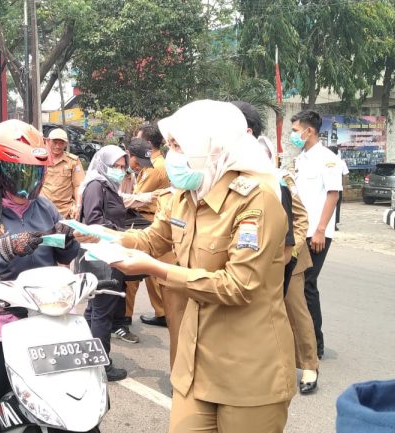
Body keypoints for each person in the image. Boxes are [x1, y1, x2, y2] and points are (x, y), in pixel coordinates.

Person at [81, 100, 296, 432]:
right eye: (171, 147)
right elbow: (153, 240)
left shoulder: (256, 200)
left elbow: (236, 286)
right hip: (194, 364)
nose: (171, 156)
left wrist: (157, 270)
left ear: (211, 147)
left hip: (249, 371)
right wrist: (100, 235)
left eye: (179, 146)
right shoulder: (183, 196)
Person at [0, 120, 80, 433]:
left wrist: (68, 239)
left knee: (82, 392)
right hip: (0, 320)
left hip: (51, 316)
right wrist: (4, 250)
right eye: (20, 175)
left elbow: (63, 257)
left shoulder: (44, 207)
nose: (28, 185)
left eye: (35, 175)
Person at [233, 101, 320, 394]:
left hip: (290, 259)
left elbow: (300, 219)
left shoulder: (282, 179)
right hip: (259, 258)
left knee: (296, 312)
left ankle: (309, 365)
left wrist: (290, 254)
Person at [291, 109, 343, 359]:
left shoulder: (327, 158)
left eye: (294, 130)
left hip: (316, 233)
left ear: (308, 131)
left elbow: (333, 194)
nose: (293, 136)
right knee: (298, 285)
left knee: (308, 285)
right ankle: (301, 339)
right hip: (301, 231)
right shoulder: (302, 158)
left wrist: (321, 230)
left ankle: (315, 344)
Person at [77, 144, 132, 379]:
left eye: (123, 166)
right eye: (115, 166)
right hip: (101, 254)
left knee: (94, 309)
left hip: (105, 252)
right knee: (102, 311)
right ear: (102, 163)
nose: (120, 170)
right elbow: (93, 221)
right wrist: (121, 232)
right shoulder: (96, 185)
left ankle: (89, 358)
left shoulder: (108, 185)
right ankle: (101, 365)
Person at [120, 137, 170, 330]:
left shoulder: (153, 168)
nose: (140, 166)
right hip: (143, 219)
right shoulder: (154, 164)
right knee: (145, 272)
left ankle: (127, 316)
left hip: (145, 220)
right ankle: (160, 312)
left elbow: (137, 196)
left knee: (137, 269)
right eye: (138, 162)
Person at [41, 127, 85, 218]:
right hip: (42, 209)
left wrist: (78, 206)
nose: (57, 146)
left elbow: (78, 185)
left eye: (61, 143)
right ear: (48, 141)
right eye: (55, 142)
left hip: (65, 211)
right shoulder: (40, 159)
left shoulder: (73, 161)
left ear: (65, 144)